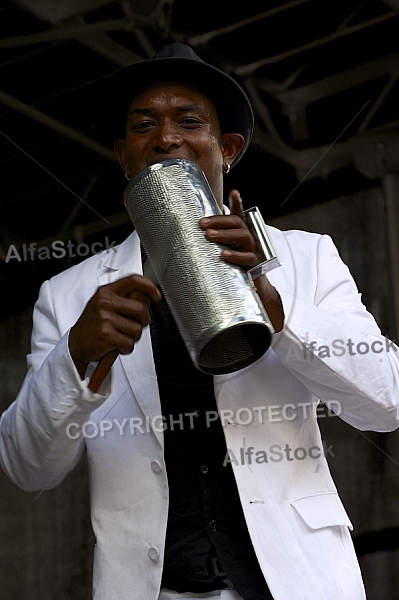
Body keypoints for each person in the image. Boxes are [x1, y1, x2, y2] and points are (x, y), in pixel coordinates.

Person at [1, 43, 399, 600]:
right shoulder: (69, 296)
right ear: (124, 153)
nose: (166, 138)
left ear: (227, 148)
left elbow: (386, 404)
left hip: (297, 582)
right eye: (144, 125)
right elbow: (27, 467)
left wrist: (278, 307)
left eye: (189, 121)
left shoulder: (304, 259)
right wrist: (76, 357)